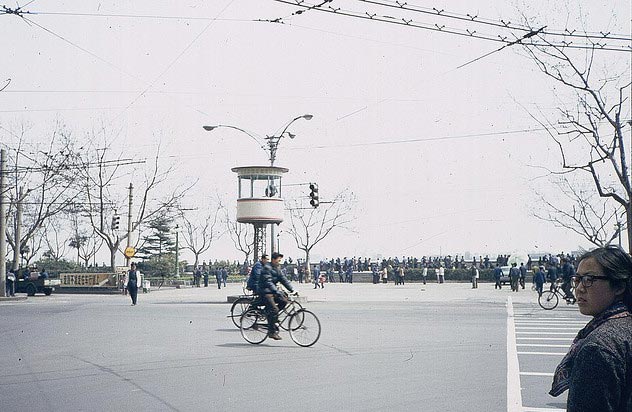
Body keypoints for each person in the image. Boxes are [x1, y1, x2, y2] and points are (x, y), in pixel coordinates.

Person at [550, 246, 632, 411]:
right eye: (578, 279)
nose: (579, 288)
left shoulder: (597, 348)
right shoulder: (625, 324)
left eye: (589, 279)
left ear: (619, 286)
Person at [257, 252, 298, 340]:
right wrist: (276, 291)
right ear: (273, 260)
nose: (279, 262)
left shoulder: (277, 269)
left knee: (284, 301)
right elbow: (268, 282)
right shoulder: (266, 268)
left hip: (272, 291)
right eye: (278, 260)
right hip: (265, 292)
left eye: (280, 260)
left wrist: (292, 289)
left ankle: (272, 316)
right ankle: (271, 332)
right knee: (274, 309)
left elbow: (283, 279)